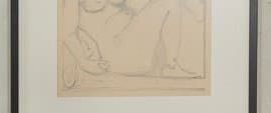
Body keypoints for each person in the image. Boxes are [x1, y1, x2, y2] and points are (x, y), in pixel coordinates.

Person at [60, 0, 206, 90]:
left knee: (170, 3)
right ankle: (171, 66)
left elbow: (134, 8)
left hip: (133, 51)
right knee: (169, 2)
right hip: (113, 59)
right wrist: (84, 62)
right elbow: (66, 32)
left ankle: (171, 66)